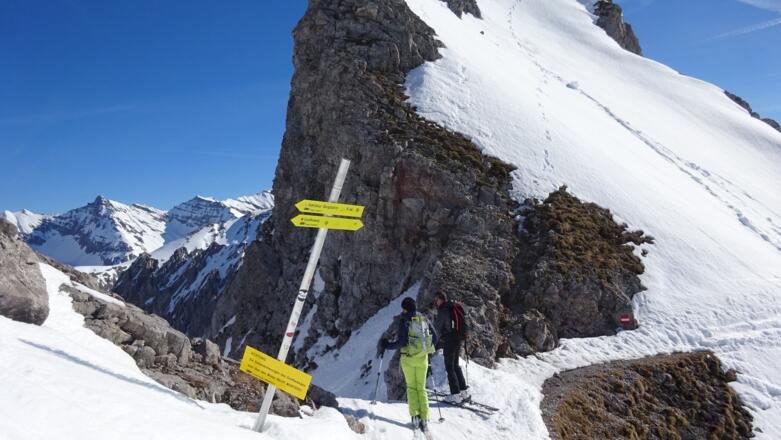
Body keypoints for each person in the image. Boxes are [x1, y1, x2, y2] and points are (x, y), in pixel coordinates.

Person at [380, 297, 437, 434]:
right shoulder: (423, 319)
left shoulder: (404, 320)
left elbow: (401, 342)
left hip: (408, 359)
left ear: (405, 308)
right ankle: (424, 418)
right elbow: (434, 337)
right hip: (422, 359)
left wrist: (387, 345)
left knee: (411, 388)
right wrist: (424, 350)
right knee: (421, 388)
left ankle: (415, 417)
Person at [433, 292, 470, 403]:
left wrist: (432, 340)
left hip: (450, 340)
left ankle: (455, 395)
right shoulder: (453, 307)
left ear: (441, 299)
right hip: (458, 338)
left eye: (437, 299)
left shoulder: (444, 310)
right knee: (455, 365)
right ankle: (463, 392)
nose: (436, 302)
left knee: (449, 367)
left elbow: (437, 328)